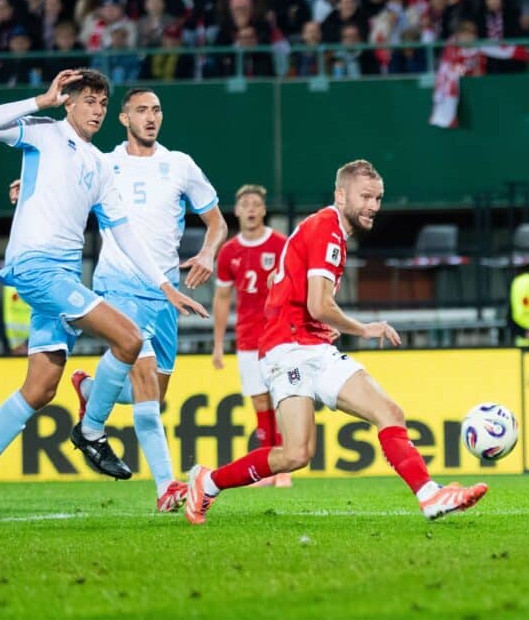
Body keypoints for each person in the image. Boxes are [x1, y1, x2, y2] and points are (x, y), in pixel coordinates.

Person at [0, 69, 208, 517]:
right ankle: (90, 432)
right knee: (128, 338)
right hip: (37, 268)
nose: (97, 110)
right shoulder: (45, 134)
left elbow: (123, 232)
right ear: (68, 103)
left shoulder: (100, 165)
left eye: (102, 104)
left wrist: (165, 286)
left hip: (65, 274)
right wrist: (39, 101)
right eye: (88, 101)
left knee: (42, 385)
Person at [184, 160, 489, 524]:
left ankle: (429, 496)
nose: (373, 206)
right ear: (340, 195)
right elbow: (319, 304)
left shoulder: (329, 230)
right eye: (365, 197)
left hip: (313, 345)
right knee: (296, 453)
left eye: (378, 198)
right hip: (289, 347)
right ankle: (209, 481)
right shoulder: (327, 229)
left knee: (388, 412)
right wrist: (365, 328)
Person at [64, 88, 226, 512]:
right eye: (141, 110)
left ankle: (92, 389)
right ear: (124, 118)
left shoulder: (180, 164)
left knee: (150, 396)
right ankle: (166, 487)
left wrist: (208, 252)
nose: (151, 117)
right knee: (147, 388)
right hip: (118, 288)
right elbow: (61, 186)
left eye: (156, 110)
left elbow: (216, 222)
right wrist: (26, 185)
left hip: (164, 295)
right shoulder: (104, 162)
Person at [211, 184, 291, 487]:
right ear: (237, 210)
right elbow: (221, 299)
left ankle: (284, 466)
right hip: (247, 338)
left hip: (280, 335)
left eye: (257, 203)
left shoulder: (281, 244)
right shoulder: (229, 251)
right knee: (259, 401)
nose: (252, 209)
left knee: (282, 396)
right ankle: (267, 467)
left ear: (264, 209)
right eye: (245, 204)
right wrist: (218, 344)